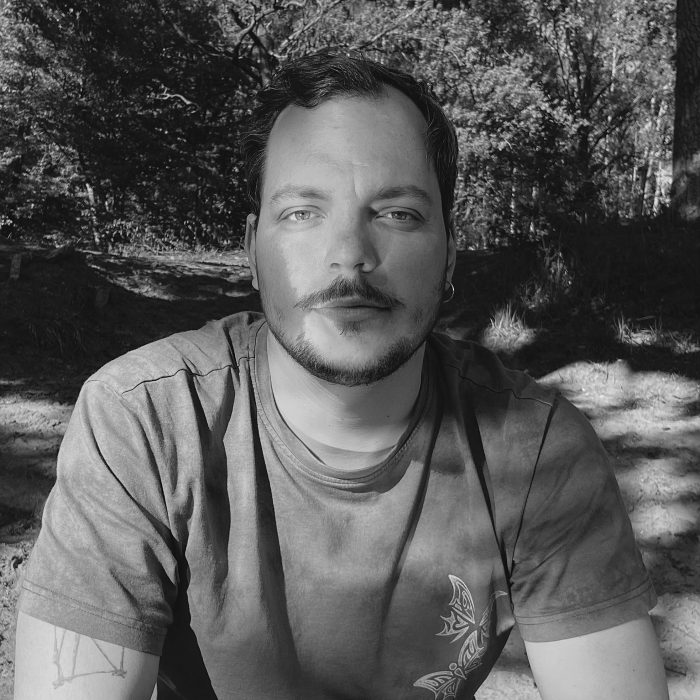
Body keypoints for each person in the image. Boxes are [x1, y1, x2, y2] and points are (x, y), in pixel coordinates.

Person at [14, 52, 668, 700]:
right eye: (302, 212)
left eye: (398, 213)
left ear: (449, 255)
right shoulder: (144, 422)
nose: (350, 255)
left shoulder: (539, 451)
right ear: (252, 250)